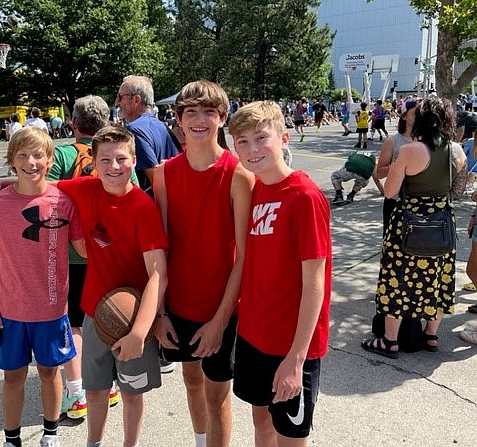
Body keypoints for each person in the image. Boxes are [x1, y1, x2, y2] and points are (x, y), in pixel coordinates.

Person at [0, 125, 169, 447]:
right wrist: (2, 182)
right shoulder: (84, 189)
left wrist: (141, 331)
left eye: (122, 159)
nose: (114, 166)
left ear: (134, 160)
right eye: (105, 160)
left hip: (133, 312)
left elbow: (158, 275)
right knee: (95, 391)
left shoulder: (143, 209)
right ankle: (92, 443)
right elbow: (38, 182)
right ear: (93, 162)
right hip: (97, 309)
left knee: (131, 394)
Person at [153, 81, 254, 447]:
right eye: (190, 112)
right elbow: (158, 247)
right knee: (191, 381)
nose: (199, 120)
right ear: (178, 119)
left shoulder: (238, 174)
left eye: (209, 112)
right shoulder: (164, 173)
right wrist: (160, 312)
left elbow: (244, 256)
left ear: (222, 118)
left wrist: (220, 320)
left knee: (216, 394)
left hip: (220, 306)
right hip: (178, 303)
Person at [228, 101, 332, 447]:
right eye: (242, 141)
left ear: (284, 137)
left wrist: (296, 359)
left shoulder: (304, 196)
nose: (252, 149)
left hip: (290, 346)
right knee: (262, 422)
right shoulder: (257, 189)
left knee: (290, 435)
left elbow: (315, 282)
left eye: (261, 138)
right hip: (255, 335)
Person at [0, 127, 86, 447]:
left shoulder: (65, 202)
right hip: (8, 310)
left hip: (51, 309)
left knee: (50, 373)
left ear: (51, 160)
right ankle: (12, 439)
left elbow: (83, 249)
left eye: (38, 155)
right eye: (22, 155)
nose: (31, 161)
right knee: (13, 377)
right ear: (11, 160)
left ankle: (50, 434)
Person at [46, 95, 134, 419]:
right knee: (109, 316)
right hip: (110, 255)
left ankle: (76, 390)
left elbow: (45, 197)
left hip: (71, 257)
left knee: (72, 324)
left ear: (73, 123)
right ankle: (108, 384)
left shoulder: (62, 154)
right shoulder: (118, 158)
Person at [361, 97, 466, 359]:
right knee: (438, 279)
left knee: (396, 280)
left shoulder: (410, 150)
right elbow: (458, 190)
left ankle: (390, 341)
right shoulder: (457, 151)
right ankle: (431, 335)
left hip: (407, 224)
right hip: (442, 222)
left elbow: (390, 191)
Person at [115, 75, 179, 197]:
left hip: (153, 206)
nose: (117, 102)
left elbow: (155, 178)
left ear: (136, 100)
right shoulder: (161, 125)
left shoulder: (134, 130)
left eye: (120, 97)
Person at [374, 98, 417, 231]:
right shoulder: (392, 142)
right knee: (392, 244)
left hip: (421, 202)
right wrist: (399, 164)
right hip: (396, 201)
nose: (419, 117)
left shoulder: (429, 141)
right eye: (415, 113)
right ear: (404, 116)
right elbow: (379, 172)